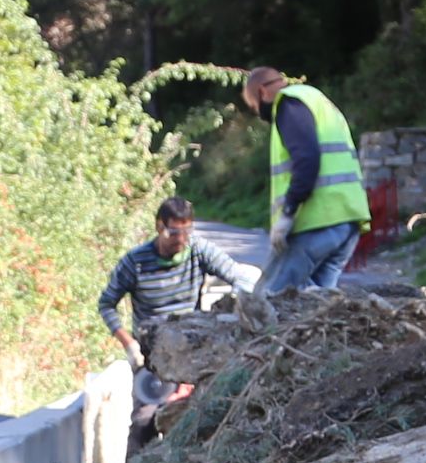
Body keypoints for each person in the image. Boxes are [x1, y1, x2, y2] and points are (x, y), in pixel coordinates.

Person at [98, 195, 257, 413]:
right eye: (173, 233)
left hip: (193, 349)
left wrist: (242, 301)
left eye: (187, 231)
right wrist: (129, 344)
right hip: (152, 355)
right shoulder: (135, 263)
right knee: (145, 419)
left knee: (200, 415)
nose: (181, 239)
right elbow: (106, 304)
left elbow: (239, 277)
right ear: (158, 227)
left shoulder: (198, 251)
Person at [242, 64, 371, 295]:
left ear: (262, 92)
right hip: (348, 220)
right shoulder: (316, 100)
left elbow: (307, 160)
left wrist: (288, 213)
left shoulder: (288, 104)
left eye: (254, 106)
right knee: (319, 306)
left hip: (318, 221)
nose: (258, 112)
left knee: (271, 297)